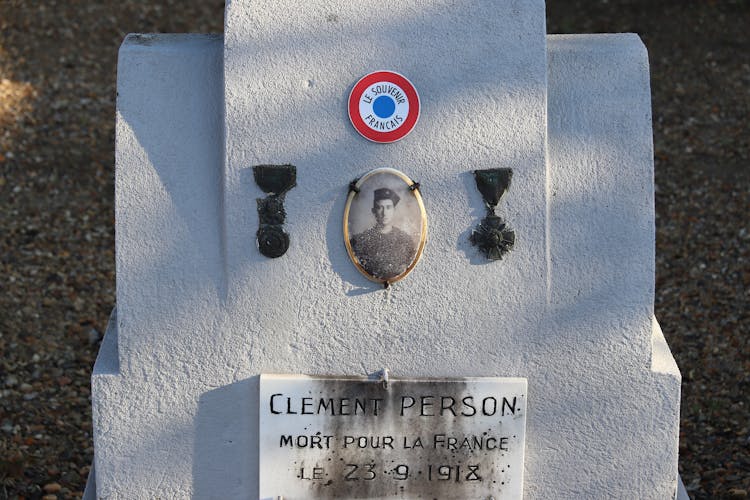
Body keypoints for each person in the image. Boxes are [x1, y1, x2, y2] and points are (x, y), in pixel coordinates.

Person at [350, 187, 417, 279]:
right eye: (380, 208)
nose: (384, 213)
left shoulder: (405, 240)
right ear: (374, 211)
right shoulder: (361, 241)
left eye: (388, 207)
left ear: (394, 211)